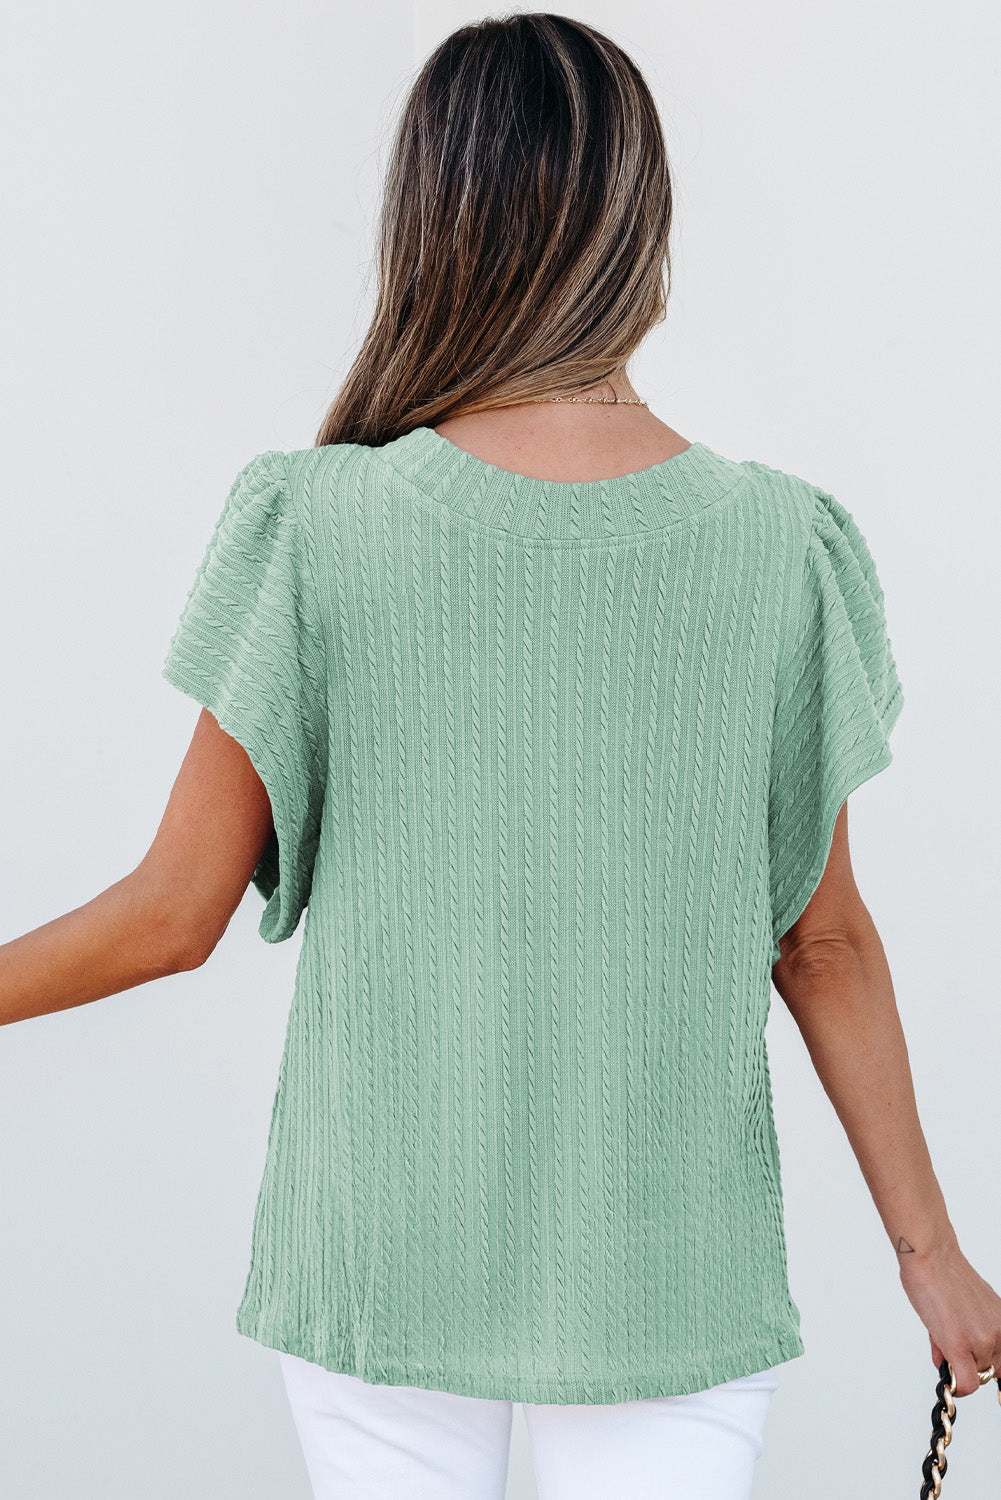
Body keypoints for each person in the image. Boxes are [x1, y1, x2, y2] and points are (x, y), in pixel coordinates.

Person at [3, 12, 999, 1500]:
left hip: (383, 1256)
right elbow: (824, 939)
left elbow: (170, 915)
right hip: (669, 1273)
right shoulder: (773, 546)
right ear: (643, 226)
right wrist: (933, 1256)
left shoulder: (318, 525)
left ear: (431, 223)